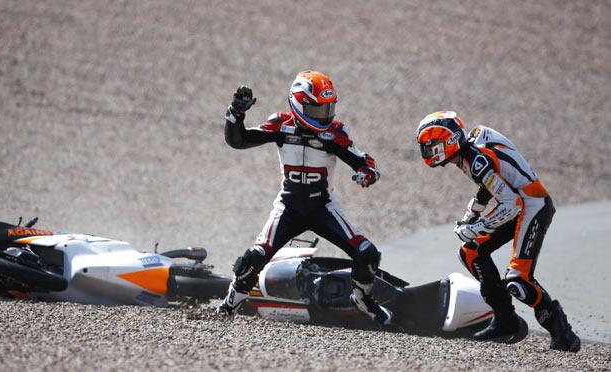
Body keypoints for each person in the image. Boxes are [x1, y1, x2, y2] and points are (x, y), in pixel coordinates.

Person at [215, 70, 392, 326]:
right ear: (298, 104)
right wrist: (235, 114)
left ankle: (362, 299)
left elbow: (365, 162)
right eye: (318, 110)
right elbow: (238, 141)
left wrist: (366, 174)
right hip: (288, 207)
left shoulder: (334, 133)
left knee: (367, 254)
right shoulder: (280, 125)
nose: (325, 116)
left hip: (323, 207)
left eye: (328, 109)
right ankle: (228, 305)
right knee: (251, 260)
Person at [415, 111, 580, 352]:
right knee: (471, 252)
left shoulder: (476, 158)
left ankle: (563, 334)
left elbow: (511, 204)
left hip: (533, 206)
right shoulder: (468, 152)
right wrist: (471, 214)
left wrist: (475, 226)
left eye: (431, 146)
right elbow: (490, 185)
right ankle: (505, 321)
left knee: (518, 281)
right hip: (520, 204)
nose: (427, 152)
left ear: (449, 142)